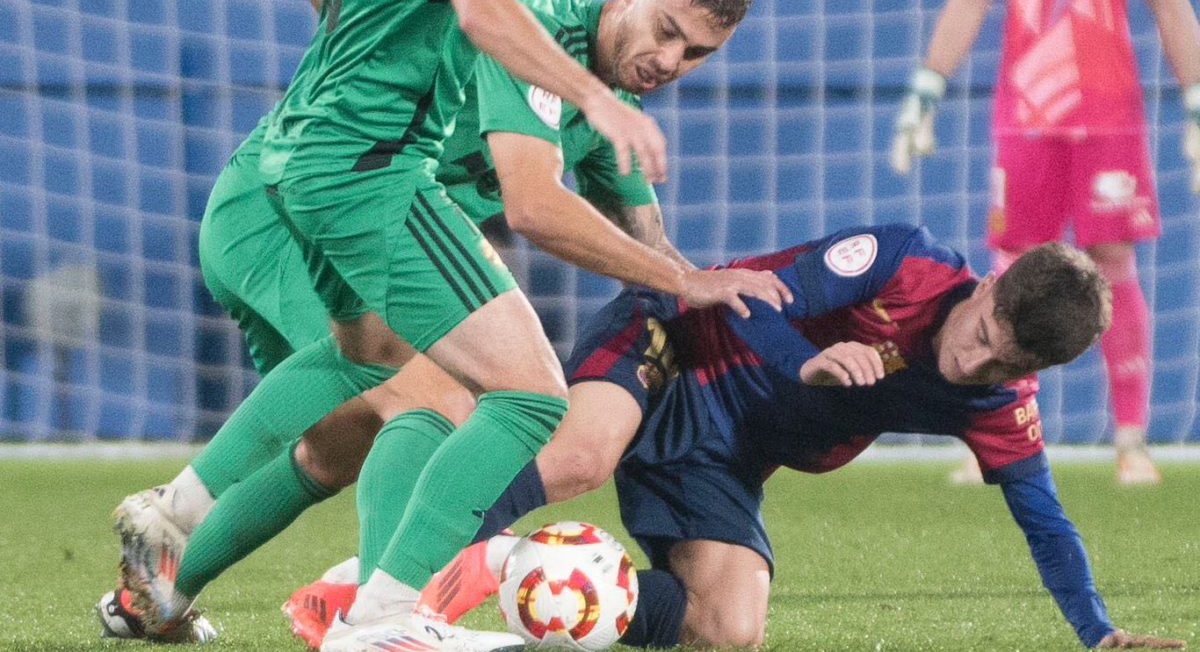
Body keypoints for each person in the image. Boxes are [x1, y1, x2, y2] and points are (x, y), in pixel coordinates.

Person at [102, 0, 788, 645]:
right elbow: (532, 206)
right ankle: (381, 619)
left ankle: (157, 592)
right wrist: (682, 280)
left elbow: (656, 255)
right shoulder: (539, 34)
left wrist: (753, 327)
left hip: (334, 219)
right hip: (281, 214)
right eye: (667, 31)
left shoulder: (611, 114)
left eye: (697, 53)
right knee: (429, 394)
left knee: (335, 450)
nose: (670, 61)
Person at [294, 224, 1185, 650]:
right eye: (982, 332)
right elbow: (758, 300)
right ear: (988, 283)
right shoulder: (903, 260)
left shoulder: (998, 401)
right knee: (579, 454)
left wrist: (1098, 635)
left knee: (731, 630)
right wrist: (807, 364)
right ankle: (375, 597)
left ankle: (514, 579)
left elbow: (1045, 518)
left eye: (999, 365)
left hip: (724, 453)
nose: (970, 364)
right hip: (674, 341)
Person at [889, 0, 1200, 484]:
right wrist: (925, 92)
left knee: (1115, 264)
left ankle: (1130, 441)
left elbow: (1168, 2)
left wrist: (1194, 99)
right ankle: (998, 432)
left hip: (1111, 120)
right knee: (1008, 273)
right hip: (1026, 117)